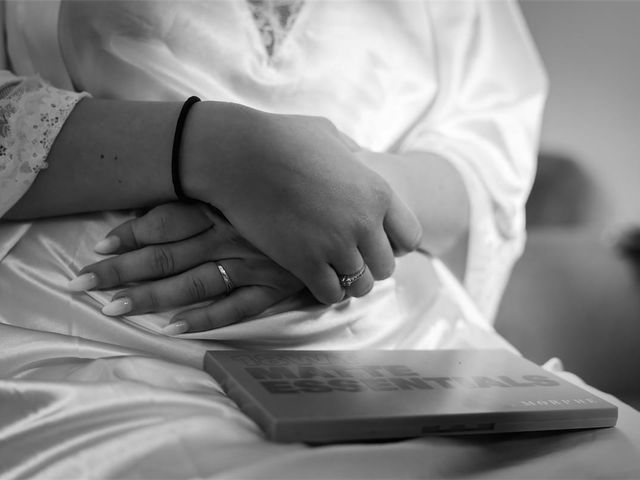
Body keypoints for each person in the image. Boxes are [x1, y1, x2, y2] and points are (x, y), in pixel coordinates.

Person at [0, 0, 546, 353]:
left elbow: (485, 166)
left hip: (396, 340)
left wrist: (325, 200)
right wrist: (221, 150)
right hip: (96, 335)